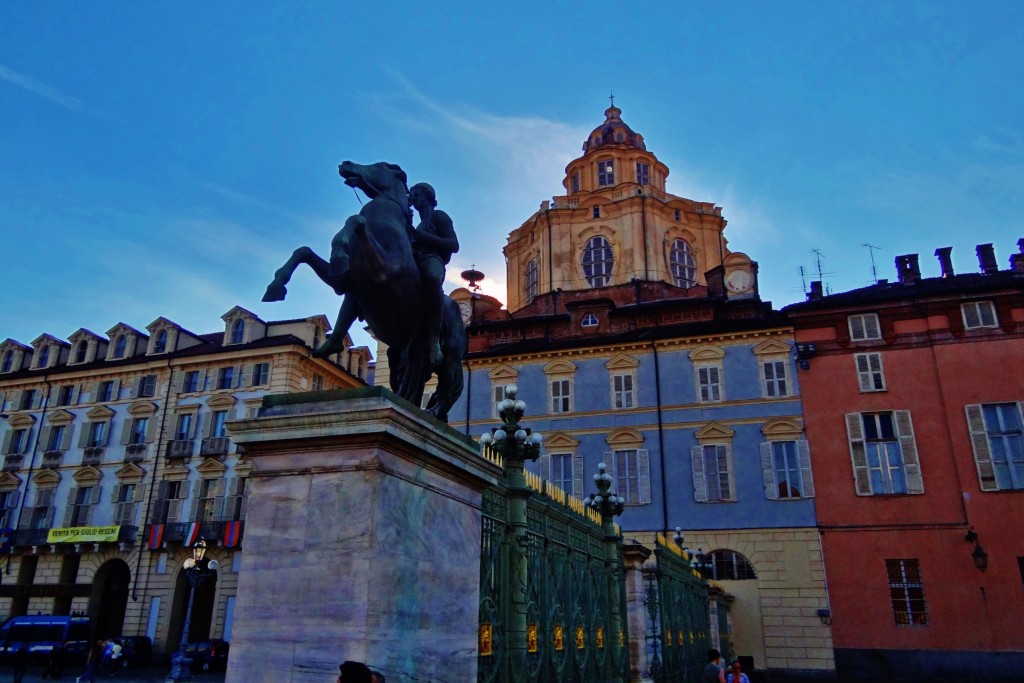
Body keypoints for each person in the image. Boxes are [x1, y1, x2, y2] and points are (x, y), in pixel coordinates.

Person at [408, 182, 459, 368]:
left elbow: (454, 244)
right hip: (414, 262)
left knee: (432, 277)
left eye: (416, 195)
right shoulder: (418, 224)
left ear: (427, 196)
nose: (413, 199)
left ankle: (435, 339)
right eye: (411, 196)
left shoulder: (439, 216)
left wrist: (419, 237)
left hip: (432, 260)